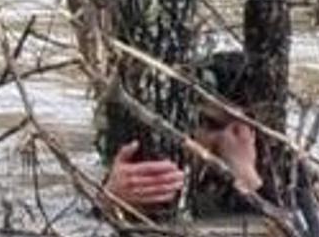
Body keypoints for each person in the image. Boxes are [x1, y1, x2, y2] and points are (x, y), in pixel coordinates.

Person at [103, 50, 265, 214]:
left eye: (212, 125)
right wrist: (110, 199)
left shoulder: (285, 176)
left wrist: (246, 177)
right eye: (204, 123)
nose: (196, 134)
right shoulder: (154, 155)